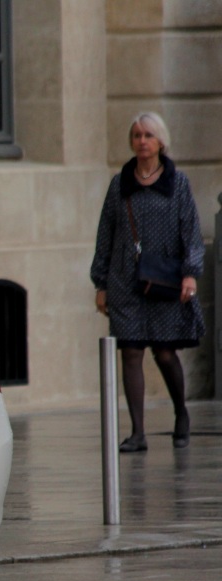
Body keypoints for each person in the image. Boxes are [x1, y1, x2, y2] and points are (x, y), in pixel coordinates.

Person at [90, 112, 204, 452]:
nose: (141, 141)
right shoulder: (120, 183)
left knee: (165, 353)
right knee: (131, 352)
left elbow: (191, 231)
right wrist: (100, 283)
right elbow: (105, 234)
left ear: (160, 142)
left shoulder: (178, 182)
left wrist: (190, 273)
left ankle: (181, 412)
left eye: (148, 135)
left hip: (165, 279)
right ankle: (138, 432)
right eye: (137, 135)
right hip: (125, 280)